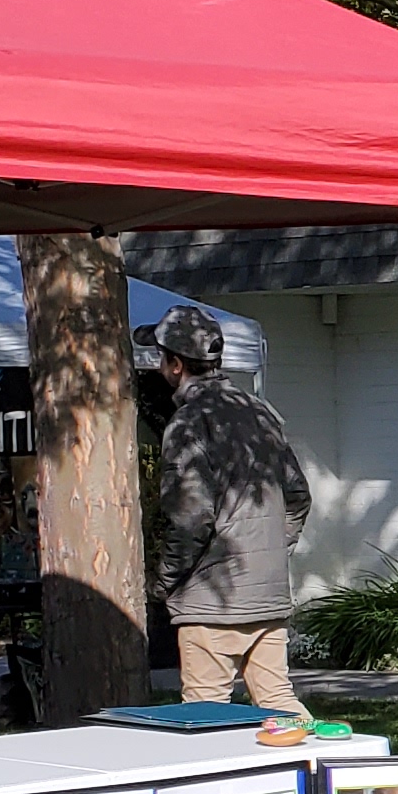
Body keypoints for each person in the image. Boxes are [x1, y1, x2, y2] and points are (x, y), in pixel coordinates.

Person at [144, 303, 311, 712]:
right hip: (267, 593)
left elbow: (190, 517)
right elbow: (298, 496)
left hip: (210, 600)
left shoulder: (188, 422)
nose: (159, 367)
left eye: (161, 358)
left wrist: (162, 583)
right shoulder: (257, 412)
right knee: (278, 701)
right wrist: (268, 551)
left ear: (176, 364)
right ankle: (325, 769)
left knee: (205, 710)